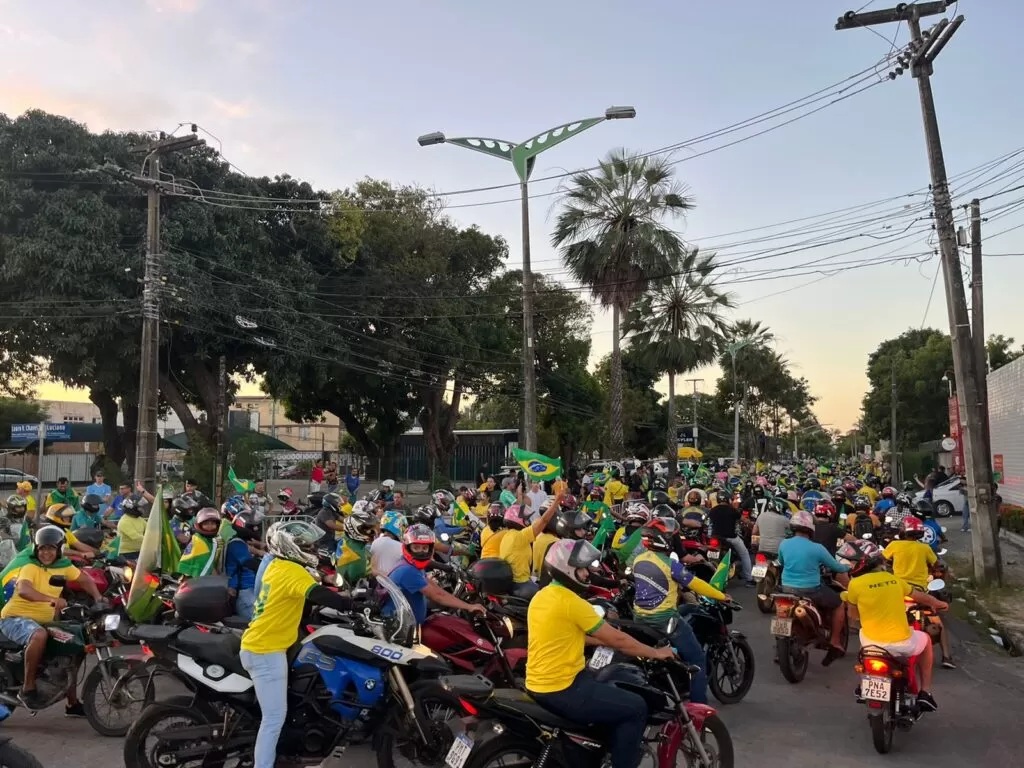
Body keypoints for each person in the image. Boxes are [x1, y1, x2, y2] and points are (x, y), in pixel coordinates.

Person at [528, 538, 675, 768]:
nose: (587, 574)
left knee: (606, 685)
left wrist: (596, 641)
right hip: (563, 688)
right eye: (583, 569)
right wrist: (656, 653)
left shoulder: (542, 596)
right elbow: (619, 639)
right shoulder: (572, 602)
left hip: (538, 684)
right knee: (636, 707)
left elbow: (561, 635)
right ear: (568, 569)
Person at [241, 522, 356, 768]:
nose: (313, 548)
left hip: (264, 644)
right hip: (266, 651)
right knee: (273, 718)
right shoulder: (292, 571)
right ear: (290, 547)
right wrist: (354, 604)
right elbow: (321, 595)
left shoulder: (277, 565)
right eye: (306, 545)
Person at [0, 526, 103, 712]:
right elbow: (24, 590)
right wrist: (52, 599)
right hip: (14, 618)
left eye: (51, 548)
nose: (46, 553)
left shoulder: (63, 566)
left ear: (59, 550)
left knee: (75, 644)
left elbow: (85, 580)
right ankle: (28, 688)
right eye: (42, 548)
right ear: (36, 549)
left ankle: (71, 702)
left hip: (43, 620)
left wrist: (99, 600)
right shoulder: (30, 566)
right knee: (38, 635)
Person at [838, 539, 946, 713]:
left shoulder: (854, 585)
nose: (850, 565)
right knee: (926, 640)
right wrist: (938, 603)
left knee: (865, 632)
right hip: (901, 644)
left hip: (872, 645)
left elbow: (852, 616)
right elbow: (920, 597)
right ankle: (925, 692)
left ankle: (862, 684)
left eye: (852, 562)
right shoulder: (894, 580)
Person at [632, 517, 730, 705]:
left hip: (639, 617)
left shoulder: (638, 560)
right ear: (664, 540)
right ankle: (699, 707)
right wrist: (721, 596)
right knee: (697, 659)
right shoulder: (670, 565)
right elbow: (696, 584)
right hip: (664, 619)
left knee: (686, 608)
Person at [778, 510, 850, 664]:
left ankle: (779, 649)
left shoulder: (784, 544)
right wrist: (847, 567)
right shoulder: (817, 548)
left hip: (786, 589)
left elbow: (782, 562)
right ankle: (835, 641)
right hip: (811, 590)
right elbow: (836, 567)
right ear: (811, 529)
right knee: (839, 604)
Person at [884, 517, 954, 668]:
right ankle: (947, 657)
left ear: (903, 531)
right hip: (920, 592)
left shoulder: (894, 545)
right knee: (937, 621)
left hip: (898, 590)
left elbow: (882, 560)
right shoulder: (925, 548)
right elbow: (936, 564)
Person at [385, 524, 484, 626]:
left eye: (424, 548)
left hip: (407, 624)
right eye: (416, 547)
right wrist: (468, 607)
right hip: (400, 629)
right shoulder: (408, 570)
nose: (421, 552)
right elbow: (437, 596)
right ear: (408, 547)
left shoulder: (411, 565)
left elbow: (435, 588)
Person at [499, 491, 562, 599]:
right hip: (521, 582)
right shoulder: (519, 536)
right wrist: (556, 502)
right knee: (548, 598)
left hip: (518, 581)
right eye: (526, 519)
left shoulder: (507, 535)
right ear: (517, 519)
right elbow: (544, 521)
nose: (528, 521)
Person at [707, 494, 754, 586]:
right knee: (744, 554)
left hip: (716, 537)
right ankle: (749, 579)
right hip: (731, 537)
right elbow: (744, 520)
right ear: (728, 500)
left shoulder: (712, 510)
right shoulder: (732, 510)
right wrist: (751, 523)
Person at [225, 511, 263, 620]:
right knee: (261, 622)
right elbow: (250, 564)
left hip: (250, 589)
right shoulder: (236, 544)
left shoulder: (241, 543)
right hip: (244, 592)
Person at [335, 507, 376, 586]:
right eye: (367, 529)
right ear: (354, 530)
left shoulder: (347, 540)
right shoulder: (358, 557)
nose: (372, 532)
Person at [178, 507, 224, 578]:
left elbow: (212, 564)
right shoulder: (197, 540)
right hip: (193, 580)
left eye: (213, 523)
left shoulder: (215, 540)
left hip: (208, 581)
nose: (210, 526)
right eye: (206, 523)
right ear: (199, 524)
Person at [370, 510, 407, 576]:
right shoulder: (401, 547)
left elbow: (373, 569)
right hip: (393, 583)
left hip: (377, 582)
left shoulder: (375, 542)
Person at [114, 495, 149, 561]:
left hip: (139, 551)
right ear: (131, 507)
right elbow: (136, 537)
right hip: (127, 554)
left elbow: (149, 529)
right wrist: (152, 541)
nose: (142, 509)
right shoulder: (124, 521)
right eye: (139, 507)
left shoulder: (139, 519)